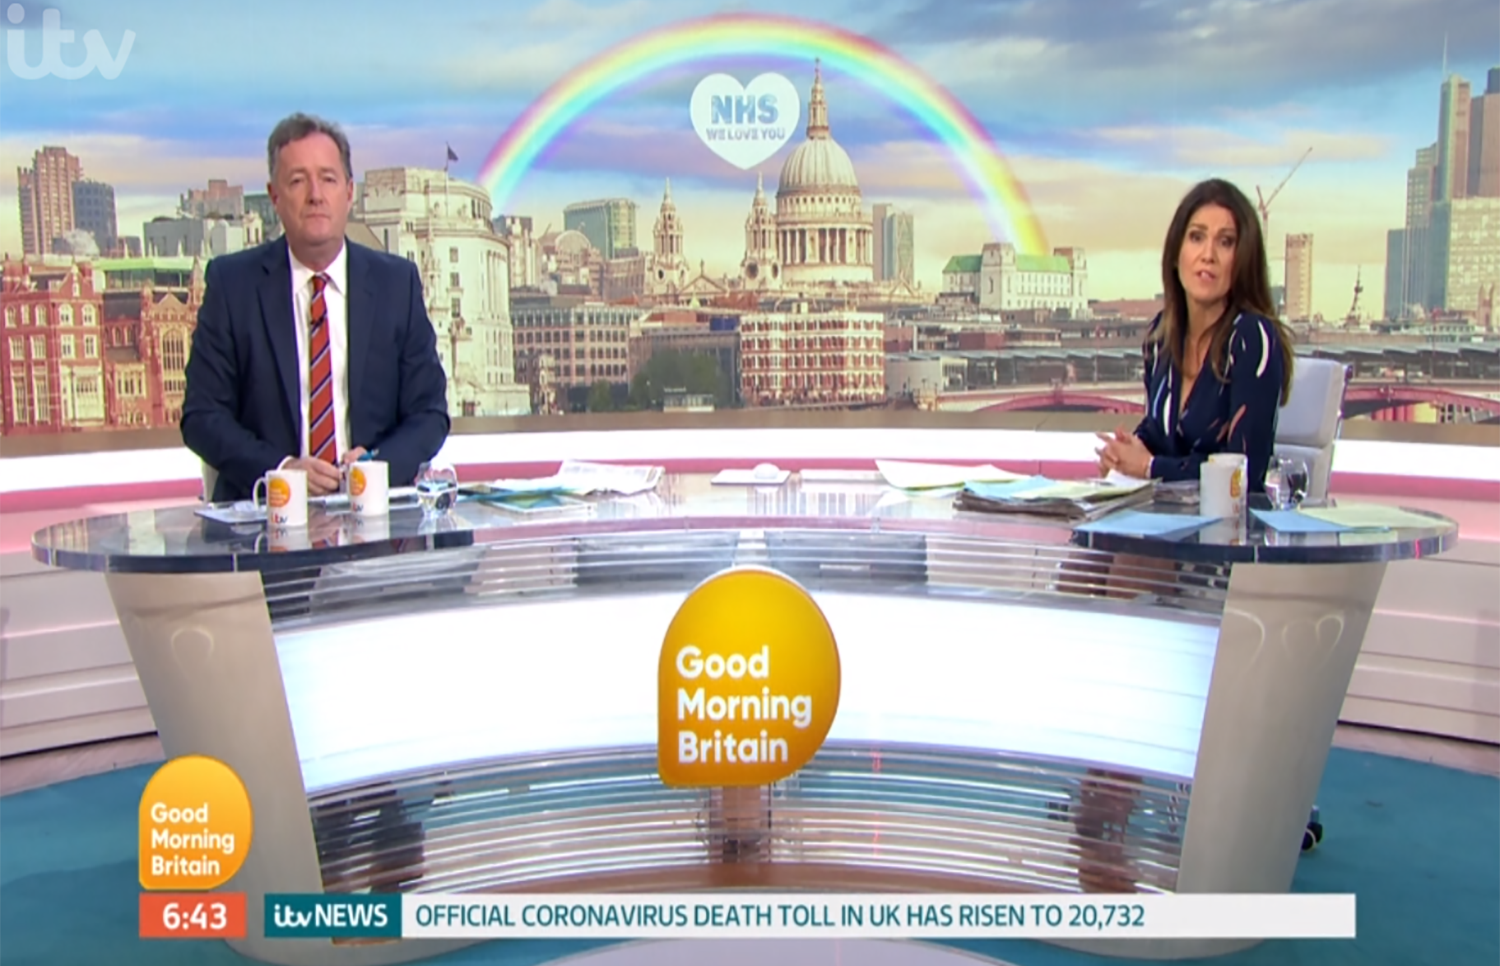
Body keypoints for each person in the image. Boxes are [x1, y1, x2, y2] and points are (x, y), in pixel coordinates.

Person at [182, 113, 449, 503]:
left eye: (328, 179)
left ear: (349, 192)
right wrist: (281, 471)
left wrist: (377, 467)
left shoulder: (397, 285)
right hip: (267, 516)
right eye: (297, 181)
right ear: (274, 197)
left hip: (374, 513)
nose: (315, 195)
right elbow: (202, 417)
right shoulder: (233, 286)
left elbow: (430, 414)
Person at [1095, 178, 1295, 494]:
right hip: (1163, 517)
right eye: (1196, 237)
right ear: (1177, 254)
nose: (1208, 254)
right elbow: (1161, 433)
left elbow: (1245, 474)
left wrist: (1149, 467)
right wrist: (1128, 452)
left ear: (1243, 259)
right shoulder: (1159, 337)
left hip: (1229, 523)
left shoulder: (1251, 338)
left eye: (1225, 242)